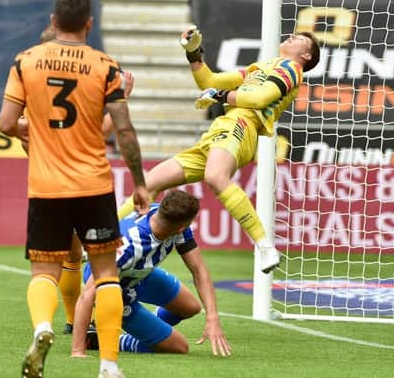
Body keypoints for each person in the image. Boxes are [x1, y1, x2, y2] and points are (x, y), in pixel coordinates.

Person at [0, 0, 149, 378]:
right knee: (106, 275)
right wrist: (140, 182)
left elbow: (3, 124)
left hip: (46, 187)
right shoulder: (105, 65)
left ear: (52, 20)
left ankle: (43, 328)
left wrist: (29, 135)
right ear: (89, 24)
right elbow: (125, 132)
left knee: (43, 273)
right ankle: (110, 366)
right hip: (93, 184)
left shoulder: (25, 61)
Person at [117, 26, 321, 273]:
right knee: (149, 183)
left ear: (306, 56)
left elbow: (259, 100)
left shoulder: (290, 69)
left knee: (216, 177)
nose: (291, 36)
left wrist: (221, 96)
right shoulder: (259, 69)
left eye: (299, 39)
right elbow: (208, 81)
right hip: (219, 130)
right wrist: (193, 53)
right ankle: (107, 241)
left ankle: (265, 246)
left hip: (242, 125)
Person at [22, 25, 136, 337]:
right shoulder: (82, 79)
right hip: (84, 181)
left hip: (46, 182)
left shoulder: (32, 83)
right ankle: (104, 355)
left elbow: (15, 127)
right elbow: (98, 136)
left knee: (61, 259)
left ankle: (60, 323)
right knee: (104, 268)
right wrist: (120, 99)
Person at [71, 189, 231, 357]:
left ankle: (150, 328)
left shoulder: (165, 217)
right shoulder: (128, 247)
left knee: (191, 307)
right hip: (114, 285)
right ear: (180, 228)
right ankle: (99, 339)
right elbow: (86, 296)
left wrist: (212, 318)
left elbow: (199, 271)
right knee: (179, 347)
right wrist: (77, 351)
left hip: (140, 273)